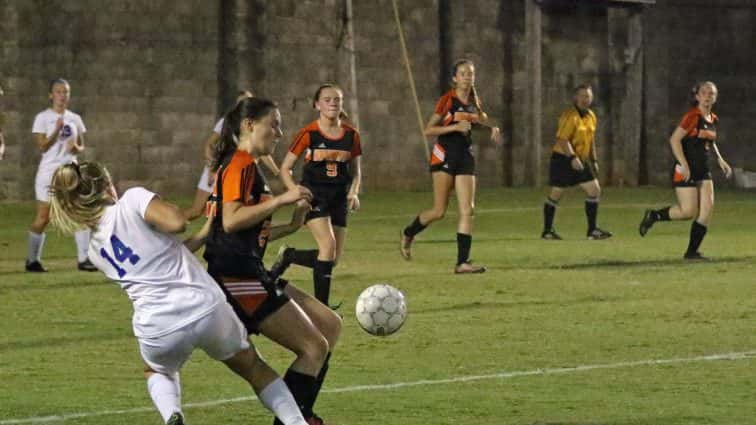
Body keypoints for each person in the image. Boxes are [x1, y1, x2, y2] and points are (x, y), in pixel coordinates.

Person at [47, 161, 310, 425]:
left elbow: (164, 256)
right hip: (205, 307)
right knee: (255, 368)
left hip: (157, 326)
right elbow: (176, 223)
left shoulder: (94, 249)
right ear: (105, 186)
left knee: (157, 371)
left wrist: (206, 232)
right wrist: (181, 209)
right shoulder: (131, 201)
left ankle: (173, 414)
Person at [203, 96, 342, 425]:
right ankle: (294, 420)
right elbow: (232, 221)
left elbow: (250, 231)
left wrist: (293, 225)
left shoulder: (247, 166)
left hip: (251, 272)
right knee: (313, 348)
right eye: (273, 124)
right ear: (250, 125)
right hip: (236, 279)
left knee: (330, 325)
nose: (279, 132)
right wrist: (282, 198)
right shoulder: (239, 164)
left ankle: (301, 414)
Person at [399, 59, 502, 274]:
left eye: (470, 73)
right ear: (455, 78)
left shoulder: (475, 101)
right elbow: (428, 130)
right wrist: (454, 127)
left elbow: (475, 122)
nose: (467, 76)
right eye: (463, 73)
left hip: (465, 156)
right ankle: (409, 232)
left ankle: (462, 263)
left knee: (468, 210)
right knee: (439, 211)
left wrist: (491, 128)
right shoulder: (447, 100)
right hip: (444, 155)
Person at [272, 84, 362, 306]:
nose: (333, 103)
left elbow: (357, 170)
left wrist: (354, 192)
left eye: (337, 99)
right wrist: (296, 193)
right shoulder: (308, 133)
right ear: (317, 105)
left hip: (339, 199)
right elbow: (285, 168)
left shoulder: (352, 135)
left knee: (332, 260)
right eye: (327, 99)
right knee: (328, 248)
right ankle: (323, 308)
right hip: (315, 198)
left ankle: (290, 256)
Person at [639, 81, 732, 260]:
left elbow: (709, 142)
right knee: (688, 212)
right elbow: (674, 140)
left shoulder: (713, 119)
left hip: (703, 169)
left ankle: (691, 252)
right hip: (686, 169)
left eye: (711, 93)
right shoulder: (692, 116)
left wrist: (720, 159)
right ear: (697, 96)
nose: (708, 96)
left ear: (715, 98)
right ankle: (655, 215)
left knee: (707, 210)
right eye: (704, 92)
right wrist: (684, 164)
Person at [27, 78, 97, 272]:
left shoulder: (74, 118)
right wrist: (56, 130)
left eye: (65, 92)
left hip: (70, 172)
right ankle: (32, 260)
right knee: (44, 217)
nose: (62, 96)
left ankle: (84, 259)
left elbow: (80, 146)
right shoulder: (43, 118)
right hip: (49, 174)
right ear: (51, 95)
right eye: (58, 92)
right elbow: (42, 147)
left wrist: (76, 147)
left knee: (80, 213)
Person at [183, 90, 281, 221]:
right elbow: (209, 145)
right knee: (198, 210)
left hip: (231, 168)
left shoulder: (250, 155)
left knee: (216, 218)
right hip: (219, 167)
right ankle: (164, 225)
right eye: (243, 101)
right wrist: (212, 169)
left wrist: (278, 173)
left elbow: (262, 153)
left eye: (249, 100)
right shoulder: (228, 125)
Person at [541, 84, 612, 241]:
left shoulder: (591, 116)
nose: (584, 99)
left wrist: (593, 159)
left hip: (581, 159)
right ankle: (547, 231)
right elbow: (562, 139)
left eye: (587, 96)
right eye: (581, 96)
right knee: (556, 193)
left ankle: (592, 231)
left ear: (591, 98)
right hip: (563, 158)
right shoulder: (569, 116)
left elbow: (591, 138)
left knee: (594, 190)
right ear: (575, 98)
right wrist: (572, 158)